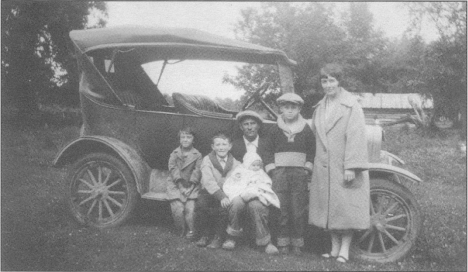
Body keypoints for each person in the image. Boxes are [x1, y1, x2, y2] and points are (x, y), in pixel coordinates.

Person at [308, 63, 370, 263]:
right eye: (324, 81)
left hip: (343, 165)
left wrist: (351, 166)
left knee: (346, 208)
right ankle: (334, 248)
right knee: (329, 209)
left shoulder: (351, 105)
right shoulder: (319, 107)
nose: (328, 85)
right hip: (324, 166)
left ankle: (345, 249)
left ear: (339, 81)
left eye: (331, 80)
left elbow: (357, 136)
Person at [264, 93, 316, 255]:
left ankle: (297, 243)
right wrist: (272, 168)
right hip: (280, 173)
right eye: (286, 107)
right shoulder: (275, 129)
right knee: (281, 208)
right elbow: (267, 150)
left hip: (298, 173)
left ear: (299, 109)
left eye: (293, 107)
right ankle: (283, 241)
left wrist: (307, 167)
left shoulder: (306, 129)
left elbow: (312, 150)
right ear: (281, 108)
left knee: (298, 209)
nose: (290, 111)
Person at [222, 152, 280, 254]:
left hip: (256, 195)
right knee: (236, 204)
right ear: (247, 164)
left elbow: (267, 183)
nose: (256, 167)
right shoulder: (240, 170)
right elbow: (232, 182)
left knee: (256, 206)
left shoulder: (261, 173)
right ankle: (231, 237)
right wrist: (241, 188)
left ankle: (265, 241)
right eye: (254, 165)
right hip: (239, 193)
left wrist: (256, 190)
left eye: (258, 165)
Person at [195, 132, 241, 249]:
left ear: (230, 146)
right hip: (209, 192)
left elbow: (236, 181)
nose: (221, 148)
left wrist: (225, 195)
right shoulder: (207, 160)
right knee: (202, 205)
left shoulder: (236, 164)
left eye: (224, 144)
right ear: (213, 147)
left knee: (223, 209)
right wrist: (221, 196)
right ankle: (205, 235)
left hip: (226, 193)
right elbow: (208, 181)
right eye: (218, 145)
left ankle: (218, 237)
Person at [167, 127, 202, 240]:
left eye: (189, 137)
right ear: (179, 139)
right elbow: (173, 170)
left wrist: (190, 187)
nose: (185, 140)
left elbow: (197, 172)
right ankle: (181, 230)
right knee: (177, 208)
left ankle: (192, 230)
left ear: (193, 140)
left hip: (191, 185)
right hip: (176, 184)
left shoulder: (197, 155)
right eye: (183, 137)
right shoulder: (174, 153)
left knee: (190, 209)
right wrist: (181, 187)